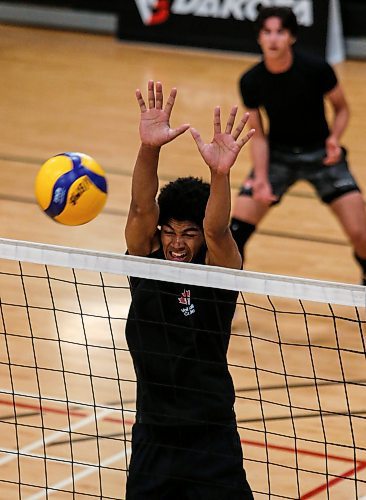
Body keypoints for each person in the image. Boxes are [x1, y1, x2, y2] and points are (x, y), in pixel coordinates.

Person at [124, 80, 254, 499]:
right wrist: (149, 147)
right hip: (152, 434)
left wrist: (221, 174)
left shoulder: (217, 274)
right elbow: (143, 208)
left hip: (210, 438)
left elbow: (218, 228)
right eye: (170, 232)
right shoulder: (147, 262)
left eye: (188, 234)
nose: (177, 243)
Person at [230, 6, 366, 284]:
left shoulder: (316, 69)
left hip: (322, 155)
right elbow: (259, 136)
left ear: (291, 36)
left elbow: (342, 109)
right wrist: (262, 177)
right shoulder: (251, 81)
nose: (273, 39)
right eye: (267, 32)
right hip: (277, 156)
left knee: (361, 235)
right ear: (259, 37)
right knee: (234, 232)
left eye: (280, 32)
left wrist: (334, 139)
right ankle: (224, 297)